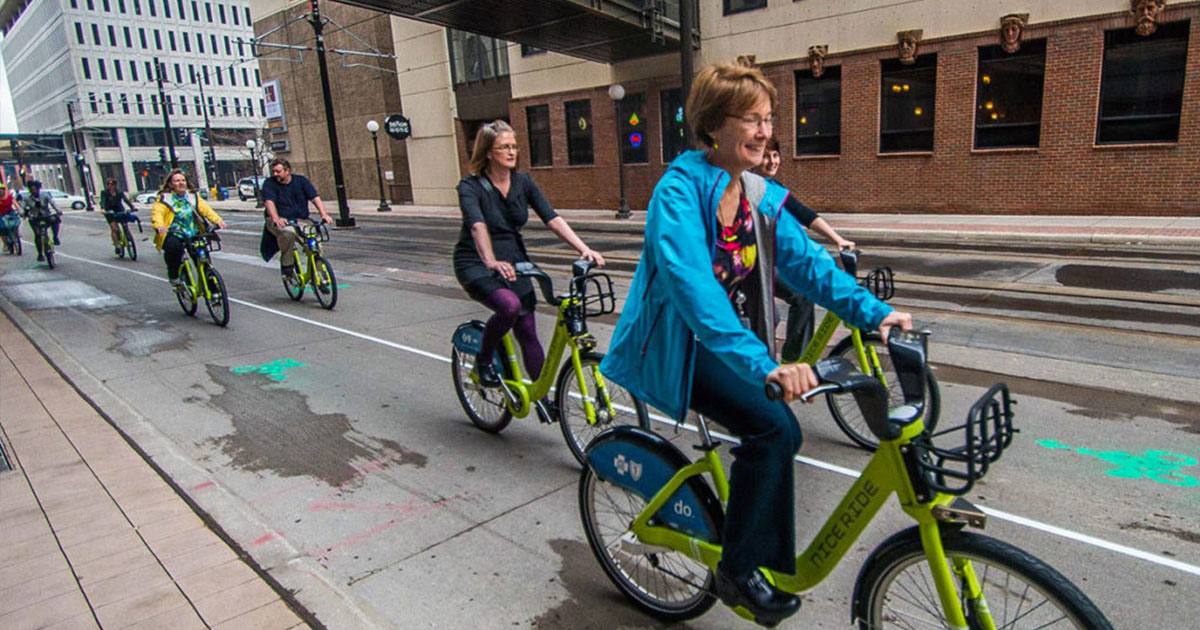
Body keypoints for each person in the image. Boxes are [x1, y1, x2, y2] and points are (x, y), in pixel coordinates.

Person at [600, 62, 911, 626]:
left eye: (769, 119)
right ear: (714, 124)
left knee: (780, 432)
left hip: (729, 341)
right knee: (773, 429)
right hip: (678, 348)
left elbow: (810, 267)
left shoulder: (757, 195)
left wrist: (876, 312)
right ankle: (738, 572)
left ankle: (760, 554)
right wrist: (766, 364)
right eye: (752, 119)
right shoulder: (677, 191)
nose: (765, 131)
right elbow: (694, 292)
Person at [454, 120, 605, 389]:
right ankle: (484, 360)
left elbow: (552, 218)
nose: (512, 152)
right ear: (488, 152)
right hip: (476, 261)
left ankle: (544, 398)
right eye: (504, 147)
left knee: (527, 331)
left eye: (514, 146)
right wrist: (490, 261)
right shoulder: (470, 186)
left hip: (514, 259)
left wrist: (583, 248)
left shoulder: (523, 182)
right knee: (509, 306)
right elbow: (478, 225)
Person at [751, 137, 855, 362]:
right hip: (753, 264)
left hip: (771, 260)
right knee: (794, 299)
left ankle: (793, 360)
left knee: (791, 302)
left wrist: (838, 239)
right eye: (765, 156)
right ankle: (789, 362)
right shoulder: (753, 187)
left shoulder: (775, 187)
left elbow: (803, 214)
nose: (772, 161)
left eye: (775, 155)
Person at [258, 159, 333, 280]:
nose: (275, 174)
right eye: (274, 172)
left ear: (287, 171)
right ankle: (287, 267)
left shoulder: (301, 181)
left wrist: (324, 214)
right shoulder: (269, 183)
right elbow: (269, 202)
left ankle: (320, 274)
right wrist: (276, 218)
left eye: (278, 171)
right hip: (278, 220)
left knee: (314, 241)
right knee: (288, 233)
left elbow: (315, 198)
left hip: (300, 219)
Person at [152, 169, 226, 286]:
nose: (181, 183)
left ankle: (213, 293)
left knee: (203, 259)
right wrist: (159, 225)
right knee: (174, 250)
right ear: (171, 184)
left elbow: (205, 209)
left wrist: (217, 220)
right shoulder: (164, 198)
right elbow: (158, 213)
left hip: (193, 232)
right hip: (174, 233)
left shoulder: (193, 196)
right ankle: (174, 276)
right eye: (177, 181)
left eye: (183, 180)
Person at [21, 180, 61, 261]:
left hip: (46, 216)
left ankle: (55, 237)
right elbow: (22, 207)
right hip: (34, 218)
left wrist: (58, 210)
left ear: (39, 189)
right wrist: (22, 213)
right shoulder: (26, 198)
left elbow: (53, 203)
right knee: (38, 234)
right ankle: (40, 253)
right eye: (32, 190)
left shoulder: (45, 195)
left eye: (35, 189)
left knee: (55, 220)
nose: (34, 191)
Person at [101, 178, 137, 255]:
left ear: (115, 185)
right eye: (108, 184)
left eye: (112, 184)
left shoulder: (119, 192)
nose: (110, 186)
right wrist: (103, 209)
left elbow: (125, 200)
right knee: (114, 228)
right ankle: (117, 245)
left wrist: (132, 207)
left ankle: (127, 236)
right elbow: (103, 201)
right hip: (109, 211)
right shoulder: (104, 193)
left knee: (124, 224)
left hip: (119, 209)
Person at [0, 181, 20, 253]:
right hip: (1, 214)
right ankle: (5, 243)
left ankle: (16, 234)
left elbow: (16, 204)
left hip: (10, 212)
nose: (1, 191)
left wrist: (19, 210)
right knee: (2, 227)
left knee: (15, 223)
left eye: (2, 189)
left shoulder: (9, 197)